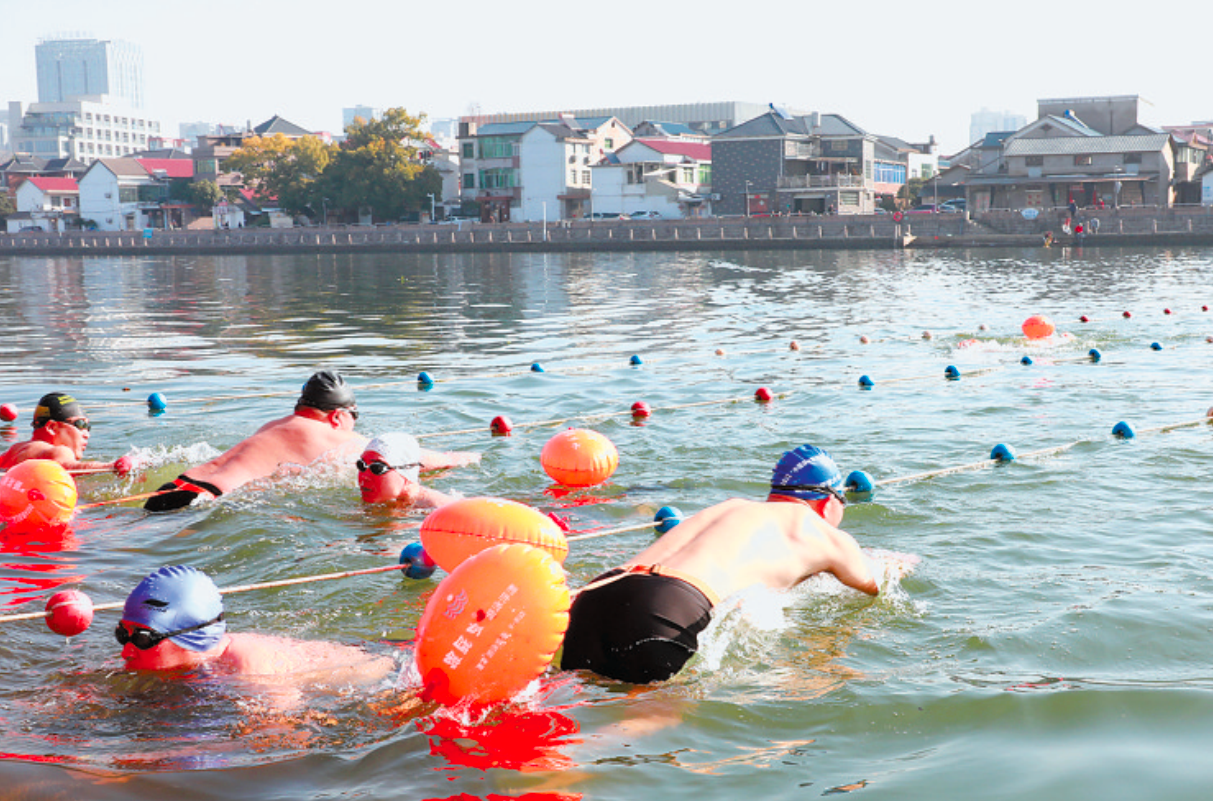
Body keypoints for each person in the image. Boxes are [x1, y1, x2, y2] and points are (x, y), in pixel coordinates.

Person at [560, 444, 883, 684]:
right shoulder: (823, 532)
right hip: (667, 604)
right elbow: (872, 586)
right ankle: (558, 777)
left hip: (596, 596)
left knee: (577, 696)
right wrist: (893, 565)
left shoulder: (732, 507)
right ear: (829, 501)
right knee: (651, 723)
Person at [118, 564, 395, 683]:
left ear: (189, 637)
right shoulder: (190, 655)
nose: (125, 651)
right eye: (123, 634)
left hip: (383, 672)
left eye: (142, 638)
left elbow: (287, 740)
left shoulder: (252, 671)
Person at [145, 370, 366, 511]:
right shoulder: (341, 438)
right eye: (354, 417)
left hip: (174, 487)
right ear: (338, 416)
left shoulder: (272, 426)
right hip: (204, 503)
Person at [0, 392, 132, 475]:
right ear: (52, 427)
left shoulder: (14, 450)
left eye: (88, 427)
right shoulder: (57, 451)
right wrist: (111, 466)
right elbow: (70, 466)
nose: (86, 434)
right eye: (80, 424)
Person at [356, 432, 476, 508]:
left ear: (406, 473)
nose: (364, 476)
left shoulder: (438, 507)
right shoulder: (380, 500)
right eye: (361, 465)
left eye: (377, 468)